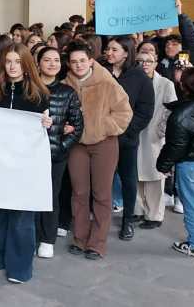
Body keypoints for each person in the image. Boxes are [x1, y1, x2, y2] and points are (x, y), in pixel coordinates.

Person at [0, 44, 52, 283]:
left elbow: (43, 125)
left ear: (26, 64)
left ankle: (20, 267)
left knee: (21, 215)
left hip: (26, 164)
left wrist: (46, 124)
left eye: (17, 62)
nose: (12, 66)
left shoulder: (38, 93)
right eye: (8, 61)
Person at [63, 41, 132, 260]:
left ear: (91, 60)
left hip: (104, 143)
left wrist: (102, 128)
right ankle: (80, 238)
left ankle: (98, 243)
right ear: (69, 64)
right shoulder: (66, 84)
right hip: (77, 145)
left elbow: (124, 113)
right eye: (74, 61)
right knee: (79, 192)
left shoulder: (107, 83)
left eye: (82, 60)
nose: (79, 65)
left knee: (102, 194)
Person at [104, 36, 155, 241]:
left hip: (126, 139)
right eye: (108, 49)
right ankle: (100, 220)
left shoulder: (139, 76)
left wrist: (127, 130)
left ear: (126, 53)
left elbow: (145, 110)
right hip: (101, 136)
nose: (109, 53)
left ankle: (127, 221)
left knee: (128, 180)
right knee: (101, 180)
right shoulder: (101, 71)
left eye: (114, 50)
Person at [35, 46, 83, 258]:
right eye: (47, 59)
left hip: (55, 155)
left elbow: (77, 127)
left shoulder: (68, 92)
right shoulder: (29, 89)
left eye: (56, 60)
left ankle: (47, 239)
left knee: (51, 196)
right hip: (28, 154)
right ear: (38, 63)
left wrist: (62, 146)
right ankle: (31, 234)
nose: (52, 63)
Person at [157, 67, 194, 258]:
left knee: (192, 203)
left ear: (183, 86)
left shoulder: (180, 116)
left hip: (192, 162)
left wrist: (163, 165)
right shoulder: (183, 111)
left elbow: (175, 146)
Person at [134, 50, 176, 229]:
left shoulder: (166, 84)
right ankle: (138, 211)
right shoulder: (133, 81)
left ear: (156, 63)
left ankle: (154, 216)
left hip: (155, 136)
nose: (145, 64)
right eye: (141, 61)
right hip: (135, 133)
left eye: (149, 61)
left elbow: (171, 110)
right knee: (135, 174)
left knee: (155, 176)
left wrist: (162, 131)